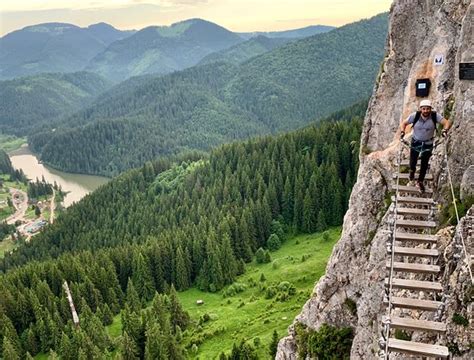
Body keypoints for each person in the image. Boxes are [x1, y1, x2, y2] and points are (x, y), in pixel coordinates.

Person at [399, 99, 451, 192]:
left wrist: (444, 130)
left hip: (428, 143)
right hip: (416, 142)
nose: (426, 111)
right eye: (424, 109)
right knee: (413, 160)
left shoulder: (435, 116)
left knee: (424, 163)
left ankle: (420, 181)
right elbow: (404, 123)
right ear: (420, 109)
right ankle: (412, 171)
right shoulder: (415, 116)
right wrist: (402, 131)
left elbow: (446, 122)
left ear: (430, 109)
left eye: (428, 109)